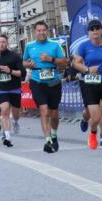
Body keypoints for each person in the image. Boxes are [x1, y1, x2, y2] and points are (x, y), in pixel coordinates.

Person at [74, 19, 102, 158]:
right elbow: (76, 63)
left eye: (97, 28)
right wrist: (87, 69)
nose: (95, 31)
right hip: (90, 83)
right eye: (92, 29)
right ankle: (93, 132)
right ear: (89, 32)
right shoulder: (83, 46)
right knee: (96, 117)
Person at [24, 21, 68, 153]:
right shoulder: (29, 46)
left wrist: (50, 59)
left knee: (54, 114)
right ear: (35, 32)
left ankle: (54, 135)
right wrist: (28, 64)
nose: (41, 32)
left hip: (53, 83)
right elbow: (24, 61)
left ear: (47, 31)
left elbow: (64, 62)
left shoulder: (55, 45)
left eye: (43, 30)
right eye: (39, 30)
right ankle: (47, 140)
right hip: (37, 82)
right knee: (44, 111)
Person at [0, 34, 23, 148]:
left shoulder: (15, 56)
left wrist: (9, 70)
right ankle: (7, 137)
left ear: (7, 43)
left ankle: (16, 122)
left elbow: (21, 73)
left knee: (16, 113)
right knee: (5, 110)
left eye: (3, 42)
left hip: (14, 88)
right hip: (1, 89)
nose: (1, 44)